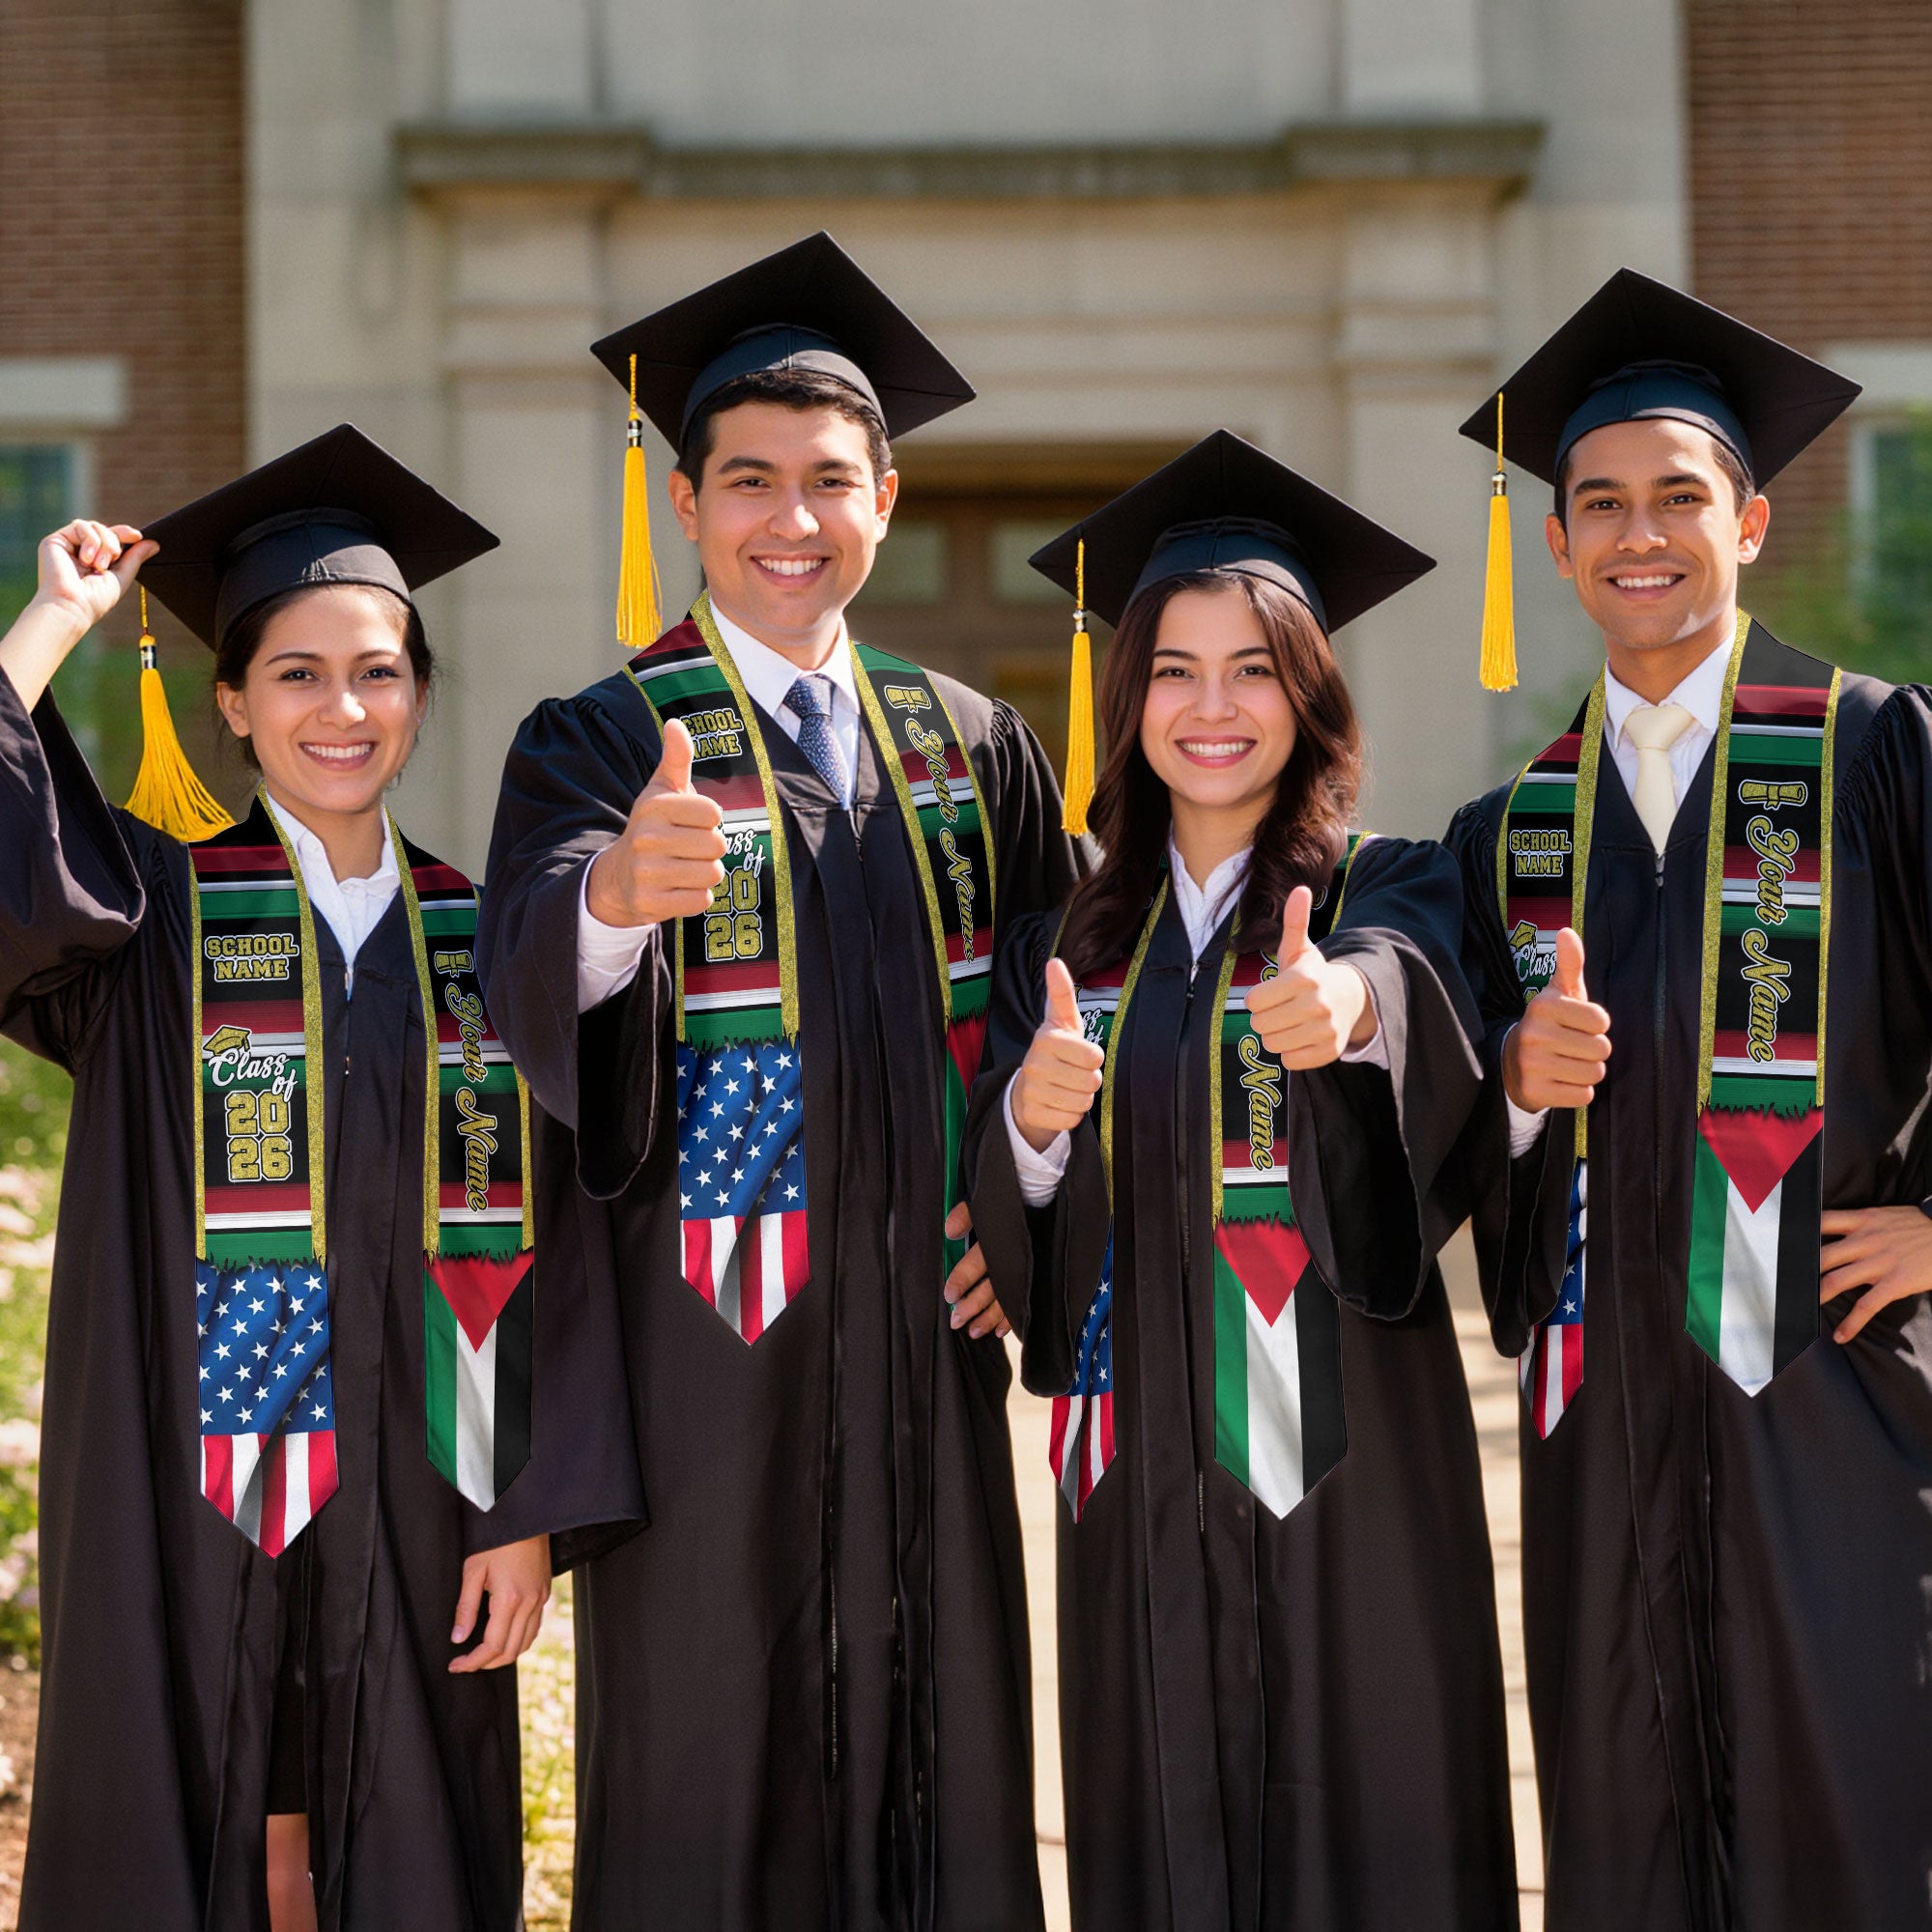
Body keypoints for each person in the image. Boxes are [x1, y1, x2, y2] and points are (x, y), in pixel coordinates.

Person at [477, 233, 1082, 1931]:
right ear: (685, 503)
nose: (790, 518)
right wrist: (613, 899)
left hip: (926, 1359)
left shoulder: (971, 744)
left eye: (829, 480)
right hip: (705, 1367)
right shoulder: (602, 738)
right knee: (710, 1772)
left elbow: (1068, 1004)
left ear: (886, 497)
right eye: (749, 481)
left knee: (941, 1760)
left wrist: (1021, 1208)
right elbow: (523, 968)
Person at [0, 425, 640, 1932]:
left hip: (425, 1488)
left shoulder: (489, 940)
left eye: (378, 672)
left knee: (407, 1831)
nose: (341, 709)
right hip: (183, 1483)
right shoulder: (150, 918)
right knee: (191, 1804)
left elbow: (562, 1243)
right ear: (231, 701)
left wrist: (523, 1507)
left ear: (418, 694)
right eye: (296, 673)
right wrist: (52, 623)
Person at [964, 432, 1519, 1930]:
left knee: (1374, 1822)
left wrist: (1350, 1011)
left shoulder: (1389, 883)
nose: (1212, 708)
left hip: (1352, 1462)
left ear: (1311, 693)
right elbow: (1017, 1213)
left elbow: (1410, 990)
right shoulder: (1067, 943)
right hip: (1140, 1463)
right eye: (1174, 671)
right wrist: (1029, 1126)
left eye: (1254, 670)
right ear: (1127, 698)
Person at [1447, 270, 1932, 1931]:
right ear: (1557, 542)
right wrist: (1515, 1093)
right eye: (1599, 504)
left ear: (1752, 522)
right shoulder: (1511, 834)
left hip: (1835, 1400)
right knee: (1627, 1823)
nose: (1637, 534)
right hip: (1606, 1428)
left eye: (1677, 497)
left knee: (1853, 1815)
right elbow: (1452, 1142)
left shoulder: (1876, 755)